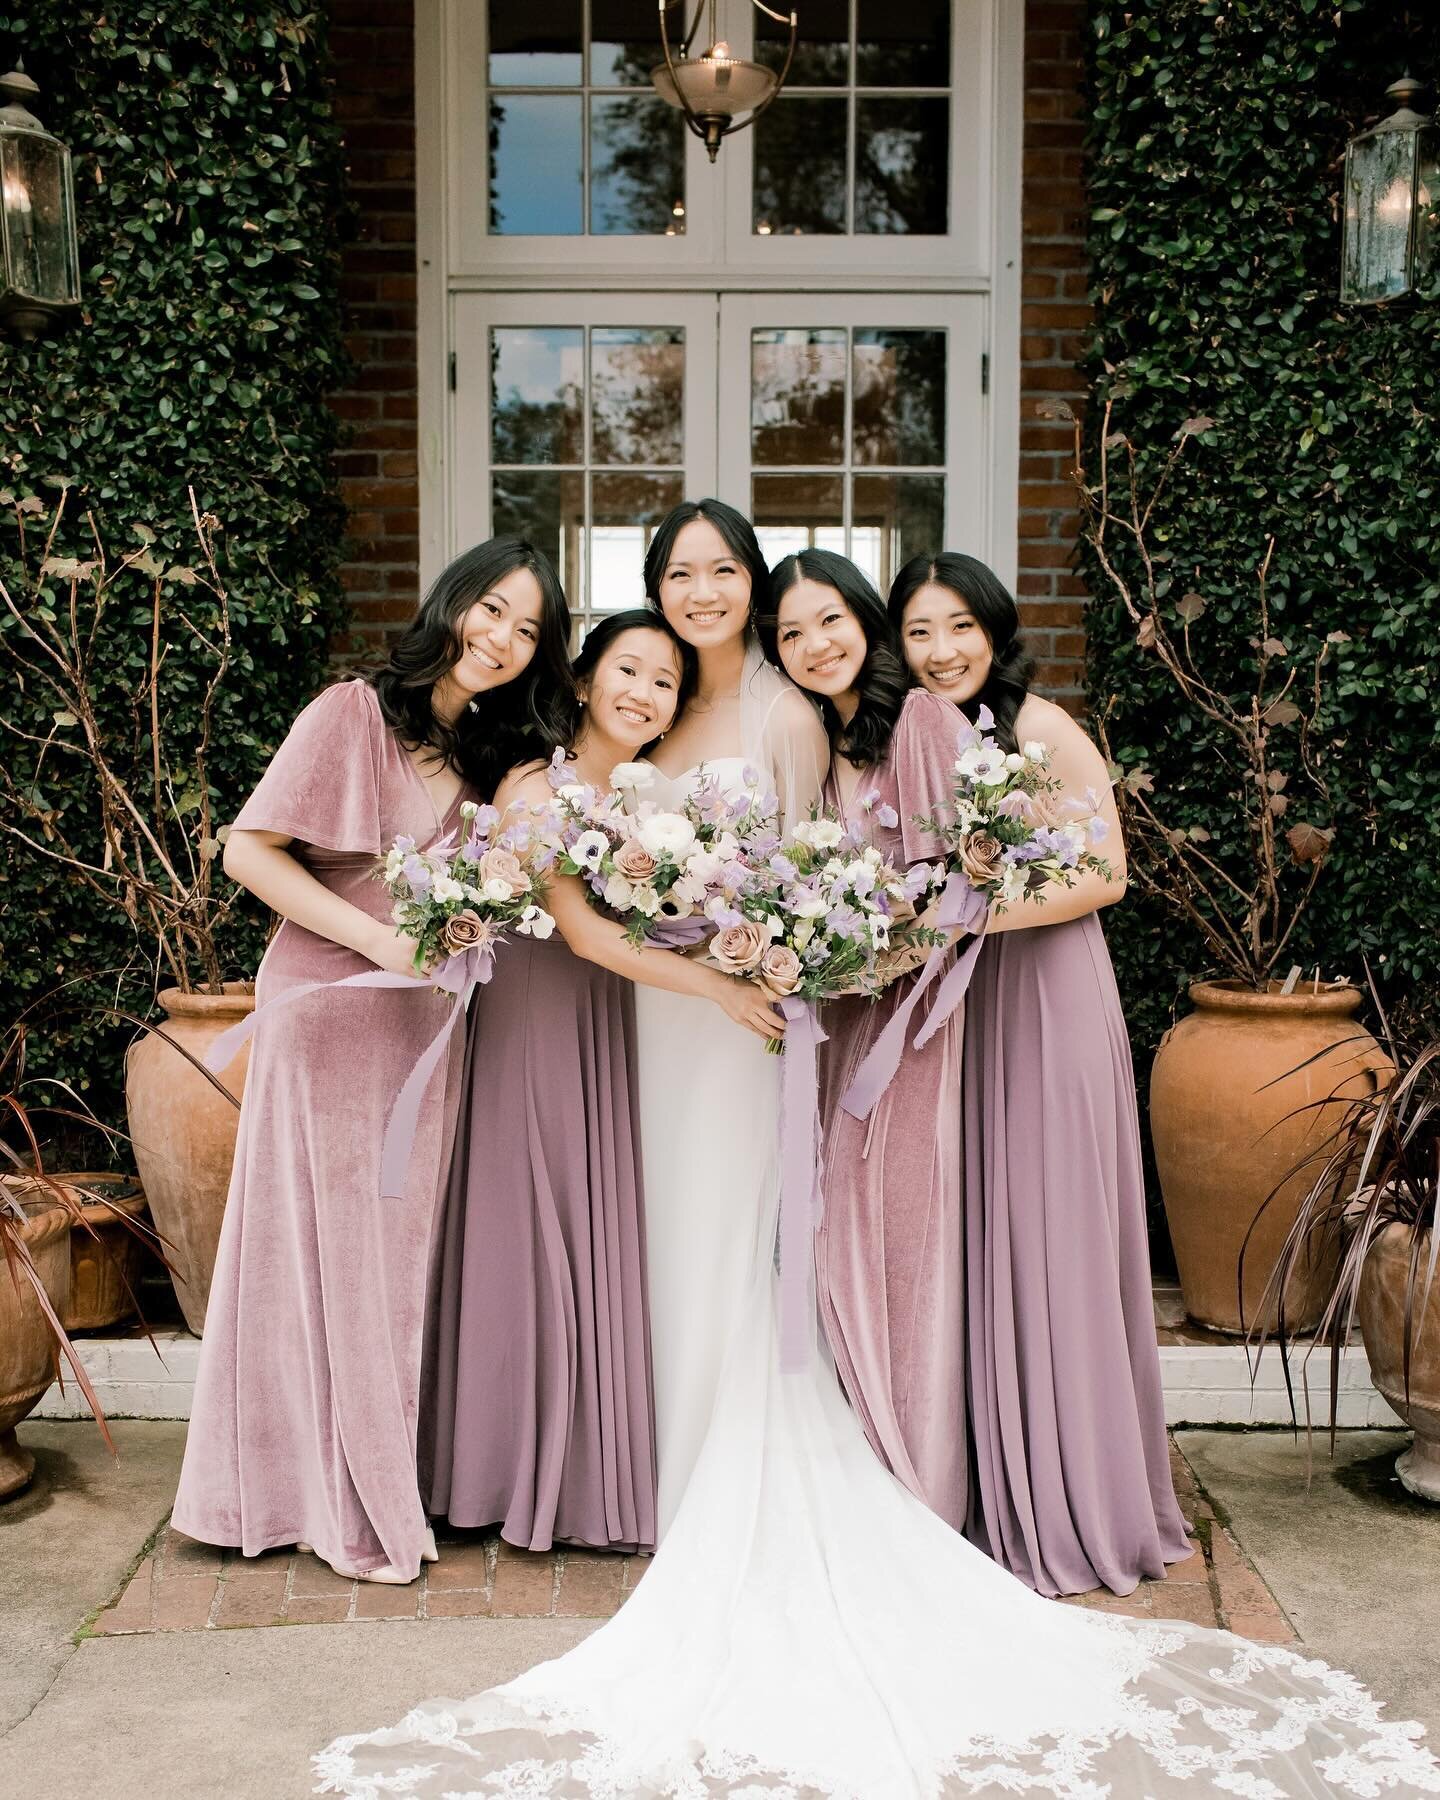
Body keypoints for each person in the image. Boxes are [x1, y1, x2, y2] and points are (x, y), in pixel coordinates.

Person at [315, 524, 1436, 1798]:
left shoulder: (797, 715)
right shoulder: (615, 724)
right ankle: (657, 1463)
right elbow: (592, 891)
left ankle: (739, 1454)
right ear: (642, 615)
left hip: (743, 1018)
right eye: (680, 577)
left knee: (747, 1230)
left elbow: (823, 856)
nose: (705, 601)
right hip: (649, 1024)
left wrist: (787, 954)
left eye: (729, 576)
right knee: (662, 1229)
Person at [171, 537, 572, 1585]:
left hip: (422, 1027)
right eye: (492, 610)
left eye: (527, 630)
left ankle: (325, 1478)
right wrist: (380, 942)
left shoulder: (488, 760)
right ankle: (333, 1500)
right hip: (332, 1007)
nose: (501, 639)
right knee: (329, 1254)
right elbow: (248, 851)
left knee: (389, 1263)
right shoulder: (351, 713)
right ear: (452, 602)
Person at [890, 550, 1192, 1598]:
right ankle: (993, 1483)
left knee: (1057, 1233)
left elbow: (1103, 872)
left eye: (958, 627)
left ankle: (1075, 1497)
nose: (940, 652)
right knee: (990, 1232)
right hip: (966, 1010)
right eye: (920, 632)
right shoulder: (915, 743)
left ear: (994, 629)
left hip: (1049, 999)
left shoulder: (1041, 726)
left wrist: (964, 920)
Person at [420, 610, 699, 1555]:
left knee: (580, 1227)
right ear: (583, 681)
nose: (643, 692)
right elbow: (580, 931)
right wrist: (725, 990)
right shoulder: (538, 785)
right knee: (528, 1224)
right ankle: (505, 1472)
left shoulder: (642, 798)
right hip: (535, 1021)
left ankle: (579, 1468)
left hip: (598, 1023)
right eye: (628, 668)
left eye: (664, 681)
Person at [764, 547, 970, 1530]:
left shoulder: (922, 724)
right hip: (845, 1024)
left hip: (922, 1026)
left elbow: (963, 888)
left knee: (903, 1237)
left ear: (864, 619)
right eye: (791, 633)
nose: (815, 645)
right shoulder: (824, 749)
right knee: (842, 1231)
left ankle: (918, 1487)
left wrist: (876, 963)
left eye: (829, 620)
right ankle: (867, 1460)